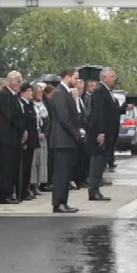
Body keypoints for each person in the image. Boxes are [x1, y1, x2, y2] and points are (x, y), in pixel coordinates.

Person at [48, 68, 82, 214]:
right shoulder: (59, 93)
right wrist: (76, 134)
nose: (77, 81)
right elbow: (64, 118)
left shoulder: (66, 93)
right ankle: (58, 202)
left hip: (66, 139)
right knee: (61, 173)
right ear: (67, 77)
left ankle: (64, 201)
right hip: (61, 139)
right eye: (75, 78)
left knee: (66, 172)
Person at [85, 68, 121, 202]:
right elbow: (98, 113)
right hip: (101, 133)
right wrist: (100, 132)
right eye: (112, 76)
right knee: (97, 162)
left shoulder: (108, 92)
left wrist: (123, 108)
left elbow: (111, 111)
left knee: (102, 162)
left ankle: (95, 188)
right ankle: (93, 189)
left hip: (109, 133)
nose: (114, 79)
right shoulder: (100, 92)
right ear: (104, 77)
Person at [0, 71, 26, 204]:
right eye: (18, 81)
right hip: (7, 137)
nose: (20, 84)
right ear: (11, 81)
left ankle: (11, 192)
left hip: (14, 136)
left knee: (13, 165)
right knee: (6, 166)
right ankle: (4, 194)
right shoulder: (4, 95)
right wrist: (21, 128)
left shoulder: (14, 95)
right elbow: (10, 116)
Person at [18, 83, 38, 201]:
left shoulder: (30, 104)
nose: (31, 93)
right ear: (23, 92)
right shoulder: (22, 105)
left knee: (29, 166)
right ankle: (23, 190)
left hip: (32, 139)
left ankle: (27, 188)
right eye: (29, 91)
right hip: (26, 139)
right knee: (24, 166)